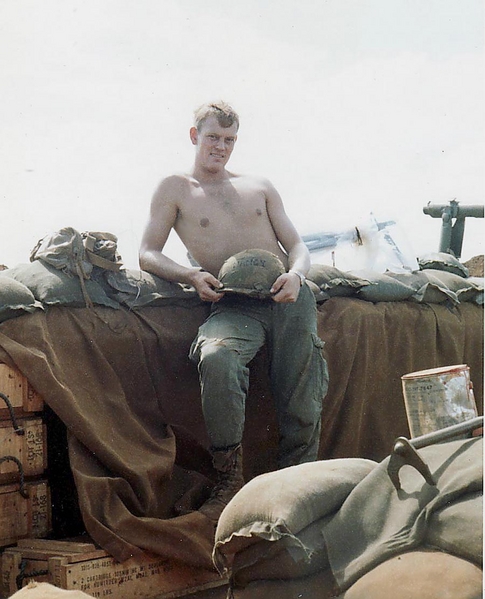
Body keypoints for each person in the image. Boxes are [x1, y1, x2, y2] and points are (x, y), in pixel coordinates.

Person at [139, 101, 329, 521]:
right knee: (217, 356)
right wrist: (190, 274)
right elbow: (148, 253)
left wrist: (297, 275)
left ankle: (299, 485)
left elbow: (297, 247)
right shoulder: (175, 188)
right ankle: (229, 477)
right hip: (232, 303)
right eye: (212, 138)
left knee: (301, 392)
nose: (220, 147)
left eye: (229, 140)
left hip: (286, 299)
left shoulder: (258, 185)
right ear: (194, 136)